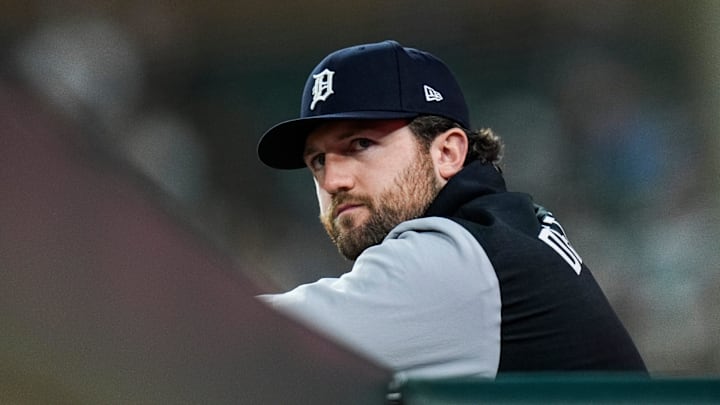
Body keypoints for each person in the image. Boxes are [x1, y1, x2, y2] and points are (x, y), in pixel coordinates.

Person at [256, 40, 646, 382]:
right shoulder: (504, 231)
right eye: (318, 160)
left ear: (446, 152)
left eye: (360, 144)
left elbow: (233, 339)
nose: (332, 180)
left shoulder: (453, 261)